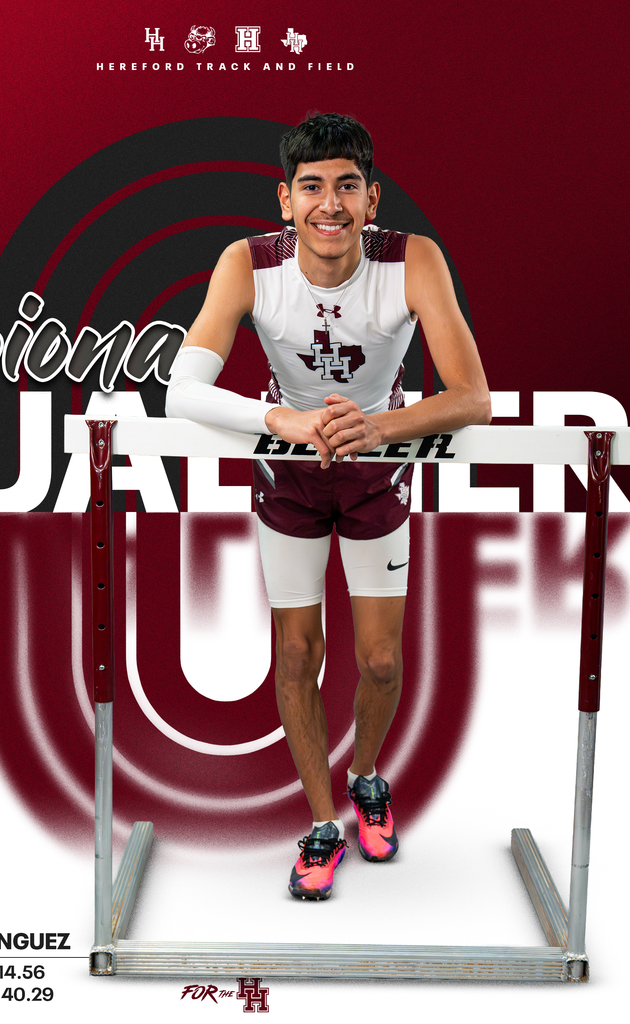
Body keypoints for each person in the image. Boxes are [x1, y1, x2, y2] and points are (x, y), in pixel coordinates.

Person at [166, 113, 491, 900]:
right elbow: (183, 390)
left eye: (347, 186)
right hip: (291, 472)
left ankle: (367, 775)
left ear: (369, 196)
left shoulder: (412, 259)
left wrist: (377, 426)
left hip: (377, 464)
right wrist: (280, 418)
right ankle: (319, 823)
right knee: (298, 654)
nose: (330, 204)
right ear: (286, 200)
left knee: (378, 659)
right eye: (311, 187)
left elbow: (472, 397)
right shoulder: (246, 263)